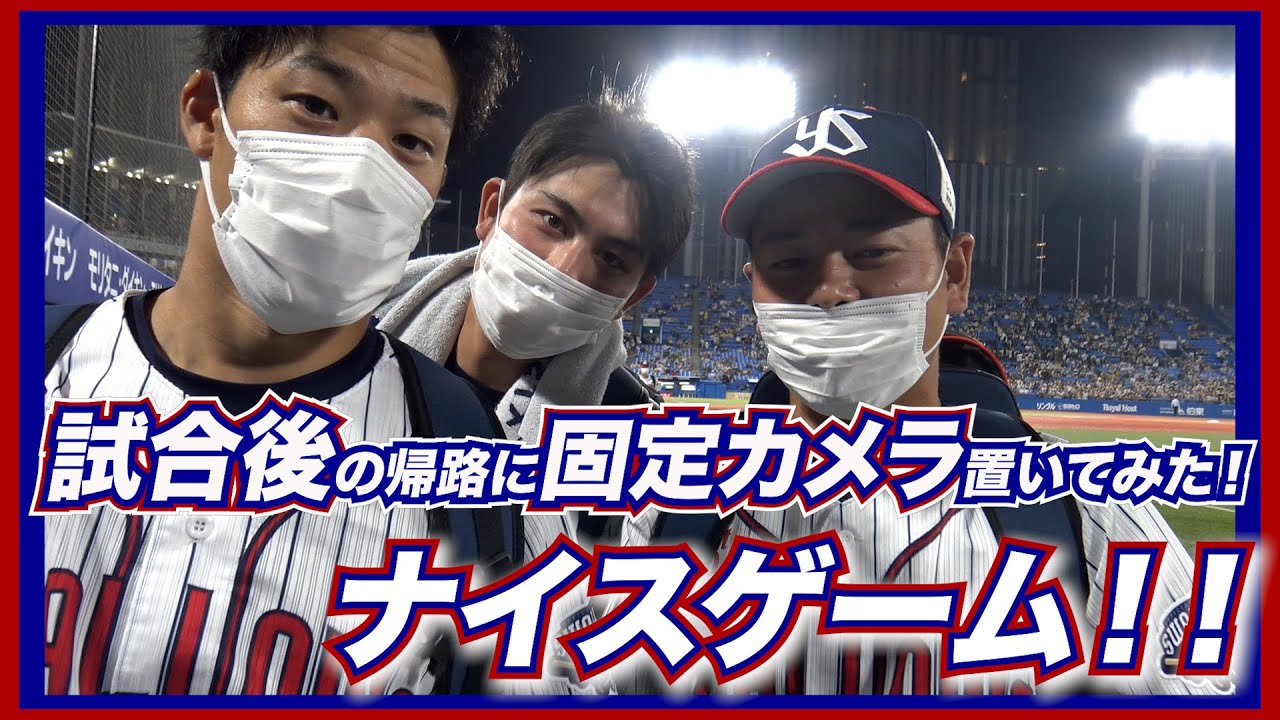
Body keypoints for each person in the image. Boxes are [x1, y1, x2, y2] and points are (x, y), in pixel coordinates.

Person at [627, 105, 1218, 696]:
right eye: (788, 263)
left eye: (872, 252)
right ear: (753, 286)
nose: (831, 291)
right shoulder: (661, 506)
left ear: (955, 273)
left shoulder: (1091, 510)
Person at [41, 25, 519, 695]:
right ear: (206, 114)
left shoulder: (461, 450)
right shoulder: (44, 362)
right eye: (316, 105)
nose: (361, 171)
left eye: (412, 142)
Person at [376, 87, 696, 556]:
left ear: (631, 298)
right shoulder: (343, 341)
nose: (564, 269)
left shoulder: (636, 444)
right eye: (552, 221)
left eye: (611, 259)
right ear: (491, 211)